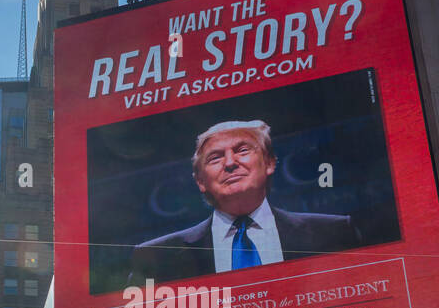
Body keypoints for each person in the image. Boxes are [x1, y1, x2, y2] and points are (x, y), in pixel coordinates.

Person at [129, 119, 361, 284]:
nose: (230, 163)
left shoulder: (333, 233)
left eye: (242, 150)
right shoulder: (157, 256)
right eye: (215, 157)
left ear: (269, 163)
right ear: (200, 181)